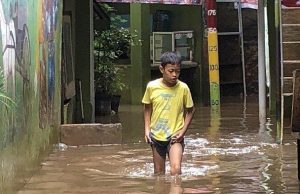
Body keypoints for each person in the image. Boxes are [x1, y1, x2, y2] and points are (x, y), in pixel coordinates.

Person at [142, 51, 195, 175]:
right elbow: (147, 108)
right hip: (156, 135)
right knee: (159, 173)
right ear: (162, 69)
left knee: (176, 170)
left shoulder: (183, 88)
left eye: (177, 71)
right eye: (171, 71)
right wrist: (147, 129)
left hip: (175, 136)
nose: (174, 75)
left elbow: (190, 110)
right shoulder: (152, 86)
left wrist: (182, 132)